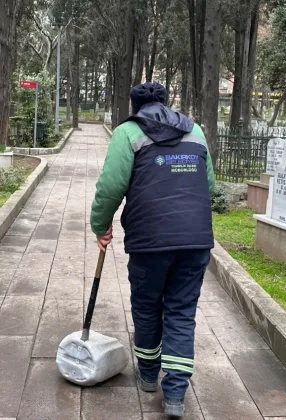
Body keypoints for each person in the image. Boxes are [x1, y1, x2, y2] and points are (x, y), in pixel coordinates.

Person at [90, 82, 215, 417]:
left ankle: (148, 375)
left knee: (147, 306)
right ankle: (174, 394)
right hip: (195, 240)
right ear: (164, 103)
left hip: (150, 241)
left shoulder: (128, 132)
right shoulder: (195, 131)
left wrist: (100, 225)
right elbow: (210, 185)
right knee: (181, 311)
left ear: (134, 105)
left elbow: (111, 186)